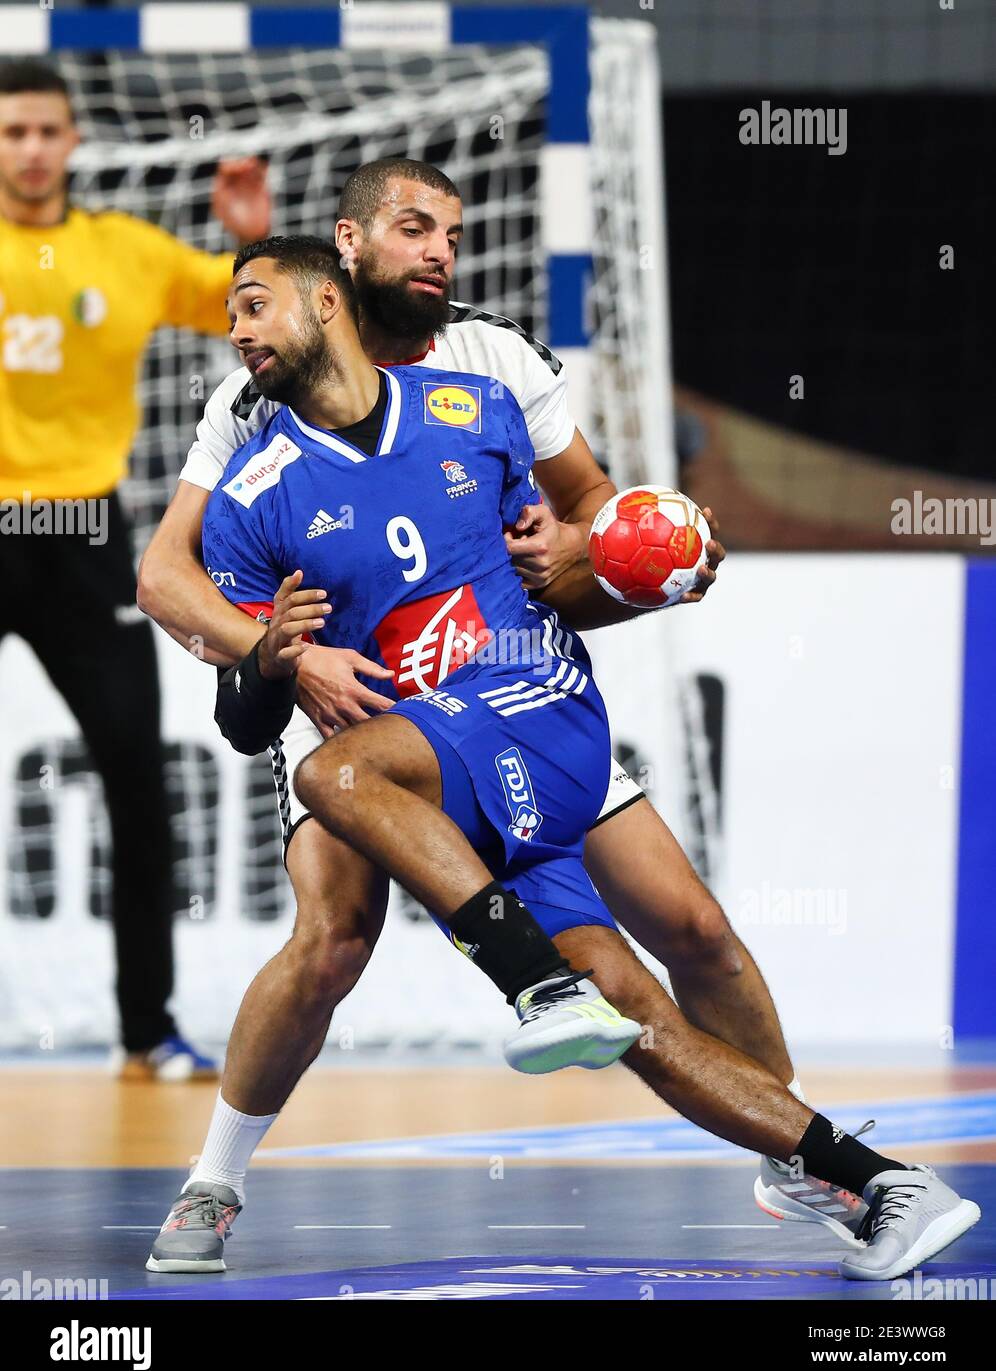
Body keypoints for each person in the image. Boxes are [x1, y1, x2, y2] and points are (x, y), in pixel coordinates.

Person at [147, 238, 980, 1281]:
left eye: (256, 305)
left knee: (341, 779)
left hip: (537, 709)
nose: (236, 330)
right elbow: (243, 720)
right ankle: (879, 1183)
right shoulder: (252, 491)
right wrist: (271, 658)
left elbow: (571, 567)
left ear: (327, 299)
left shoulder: (476, 408)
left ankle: (537, 989)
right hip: (447, 774)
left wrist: (644, 567)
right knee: (629, 1013)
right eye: (230, 314)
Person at [0, 59, 270, 1079]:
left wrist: (249, 236)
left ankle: (145, 1029)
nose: (29, 148)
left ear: (73, 142)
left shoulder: (124, 251)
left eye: (44, 131)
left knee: (137, 781)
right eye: (11, 130)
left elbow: (244, 312)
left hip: (82, 536)